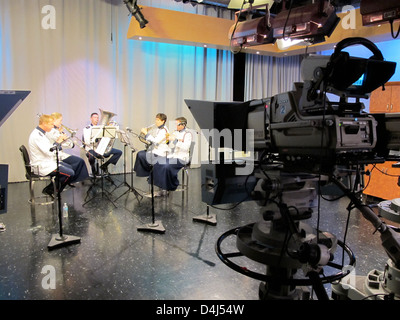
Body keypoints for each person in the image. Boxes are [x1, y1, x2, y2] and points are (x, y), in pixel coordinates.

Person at [28, 114, 87, 198]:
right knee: (70, 173)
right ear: (44, 123)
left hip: (47, 162)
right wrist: (59, 141)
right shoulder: (37, 136)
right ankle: (51, 190)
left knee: (71, 168)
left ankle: (55, 189)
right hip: (42, 165)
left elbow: (49, 149)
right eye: (51, 124)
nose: (52, 127)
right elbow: (49, 151)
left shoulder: (41, 133)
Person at [46, 112, 89, 187]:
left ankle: (69, 180)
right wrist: (67, 139)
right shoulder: (52, 131)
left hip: (59, 154)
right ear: (54, 120)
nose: (61, 122)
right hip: (56, 156)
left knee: (77, 162)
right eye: (60, 120)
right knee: (79, 162)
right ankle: (69, 180)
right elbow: (67, 144)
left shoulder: (55, 131)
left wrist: (61, 133)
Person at [152, 117, 193, 193]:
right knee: (157, 163)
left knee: (167, 166)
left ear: (183, 125)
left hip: (182, 157)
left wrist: (176, 141)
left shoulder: (188, 134)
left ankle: (172, 185)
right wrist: (168, 141)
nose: (175, 126)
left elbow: (185, 147)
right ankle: (161, 187)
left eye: (177, 124)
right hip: (173, 156)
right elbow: (171, 146)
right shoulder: (175, 132)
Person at [133, 113, 170, 177]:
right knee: (140, 153)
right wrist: (145, 134)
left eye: (158, 120)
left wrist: (146, 133)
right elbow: (153, 139)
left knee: (141, 155)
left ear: (163, 121)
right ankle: (141, 172)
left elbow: (156, 142)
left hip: (160, 153)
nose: (156, 121)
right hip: (155, 150)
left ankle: (149, 172)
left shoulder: (164, 130)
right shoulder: (159, 129)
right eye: (156, 120)